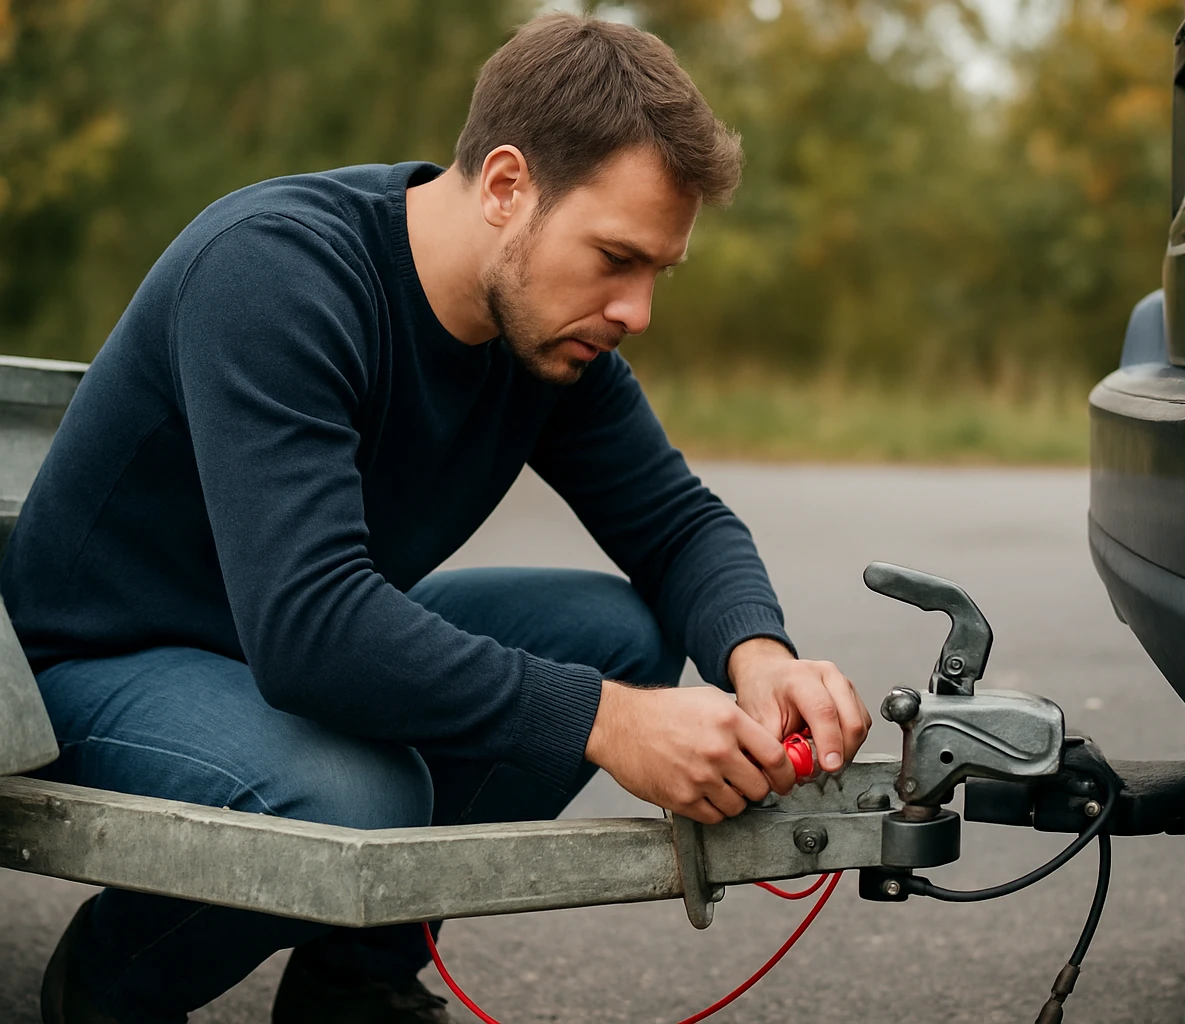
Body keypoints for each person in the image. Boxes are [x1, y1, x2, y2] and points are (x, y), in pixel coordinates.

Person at [2, 13, 872, 1023]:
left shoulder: (549, 332)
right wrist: (609, 721)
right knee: (356, 795)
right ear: (507, 186)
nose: (637, 310)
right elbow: (310, 630)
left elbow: (678, 525)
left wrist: (760, 657)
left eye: (656, 274)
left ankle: (352, 987)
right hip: (100, 666)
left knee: (616, 634)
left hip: (274, 653)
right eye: (615, 257)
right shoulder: (277, 274)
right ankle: (102, 993)